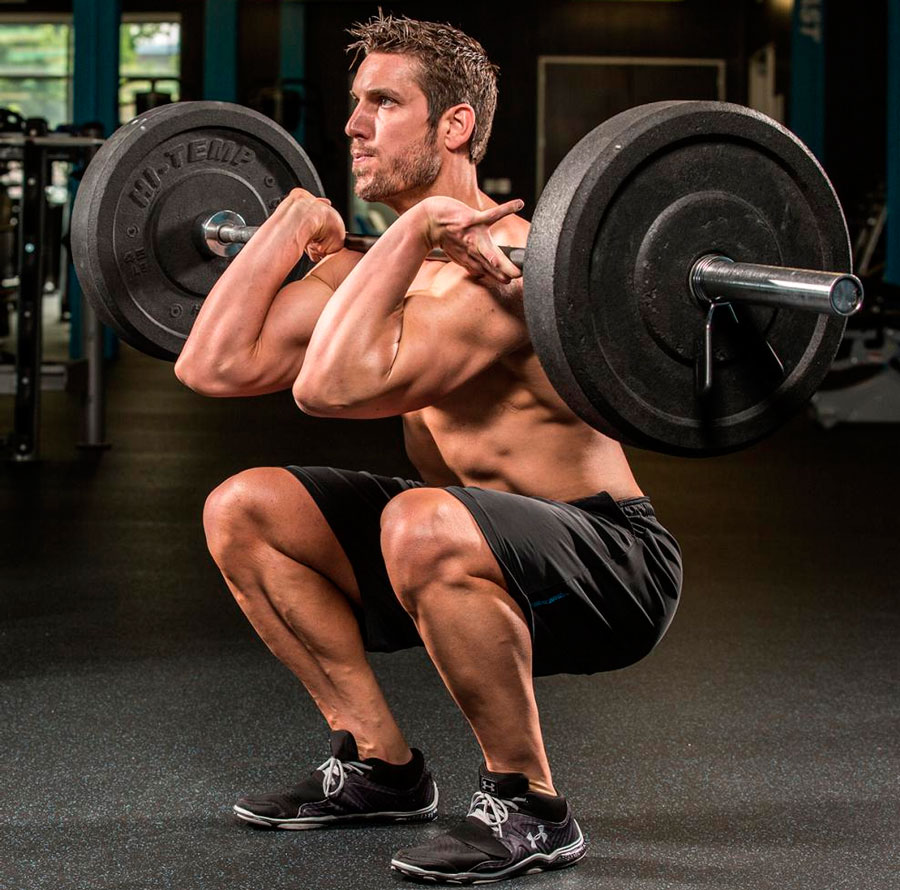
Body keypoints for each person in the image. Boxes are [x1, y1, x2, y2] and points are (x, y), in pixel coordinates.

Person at [174, 13, 682, 885]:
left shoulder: (507, 266)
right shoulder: (379, 264)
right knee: (244, 508)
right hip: (459, 542)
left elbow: (329, 389)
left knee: (419, 519)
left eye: (383, 102)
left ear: (454, 126)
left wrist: (414, 235)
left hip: (607, 562)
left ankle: (530, 805)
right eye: (354, 103)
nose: (353, 125)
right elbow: (211, 364)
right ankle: (380, 766)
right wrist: (288, 225)